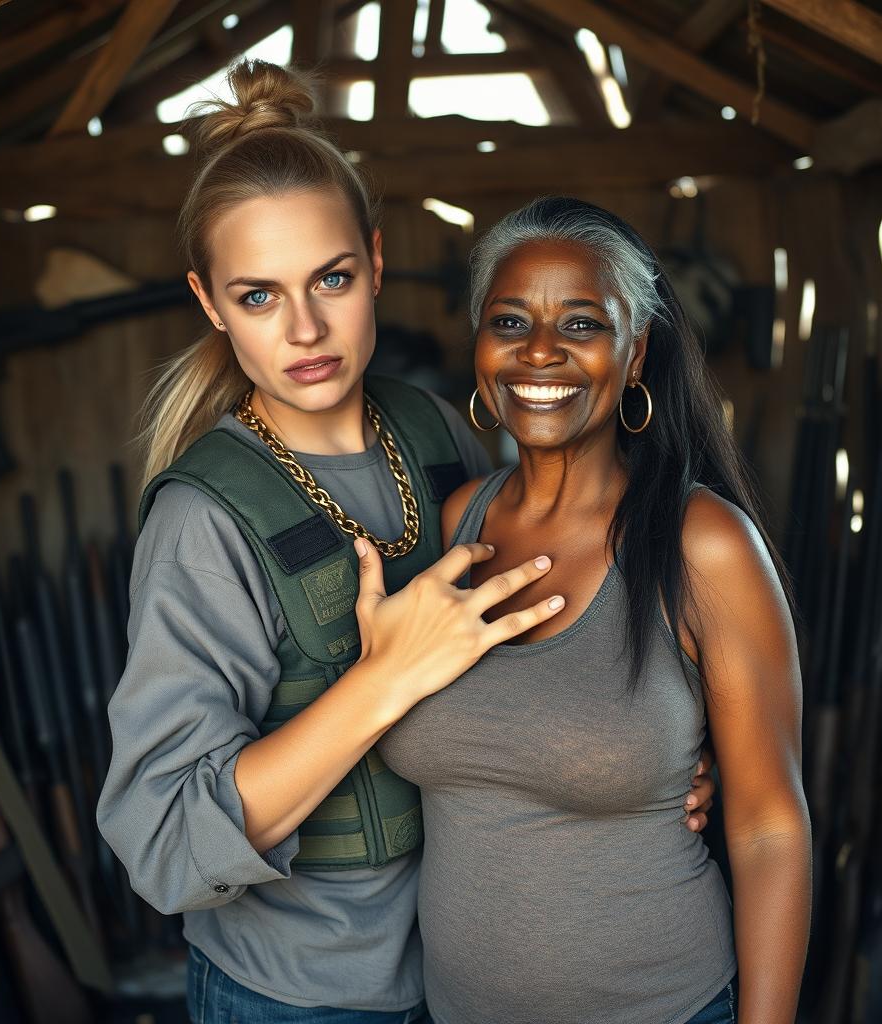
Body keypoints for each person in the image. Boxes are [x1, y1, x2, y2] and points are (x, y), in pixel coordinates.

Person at [97, 61, 716, 1024]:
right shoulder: (202, 522)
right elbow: (166, 842)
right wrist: (382, 680)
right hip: (297, 991)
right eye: (258, 297)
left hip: (458, 972)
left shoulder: (439, 437)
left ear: (376, 265)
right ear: (211, 304)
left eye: (332, 280)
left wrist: (667, 764)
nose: (304, 327)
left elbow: (560, 666)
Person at [378, 197, 812, 1024]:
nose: (539, 351)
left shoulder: (703, 544)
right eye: (509, 320)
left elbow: (769, 829)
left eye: (582, 325)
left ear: (636, 351)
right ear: (479, 345)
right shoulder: (454, 525)